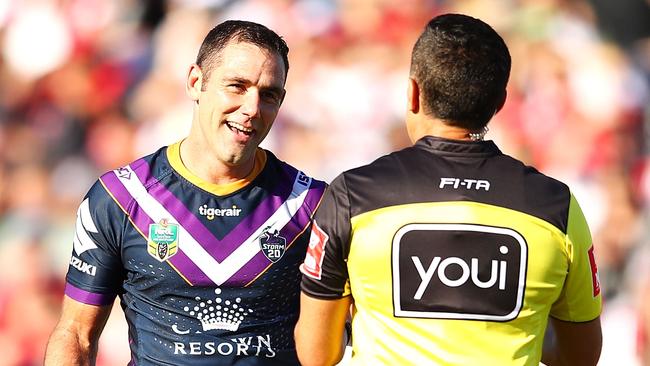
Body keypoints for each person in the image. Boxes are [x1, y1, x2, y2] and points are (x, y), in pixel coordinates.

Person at [294, 13, 602, 366]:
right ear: (499, 103)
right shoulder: (557, 206)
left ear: (412, 92)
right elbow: (582, 355)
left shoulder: (352, 195)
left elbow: (316, 354)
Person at [45, 20, 326, 366]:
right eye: (237, 86)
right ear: (196, 82)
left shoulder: (313, 205)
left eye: (268, 94)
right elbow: (76, 333)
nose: (252, 108)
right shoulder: (119, 198)